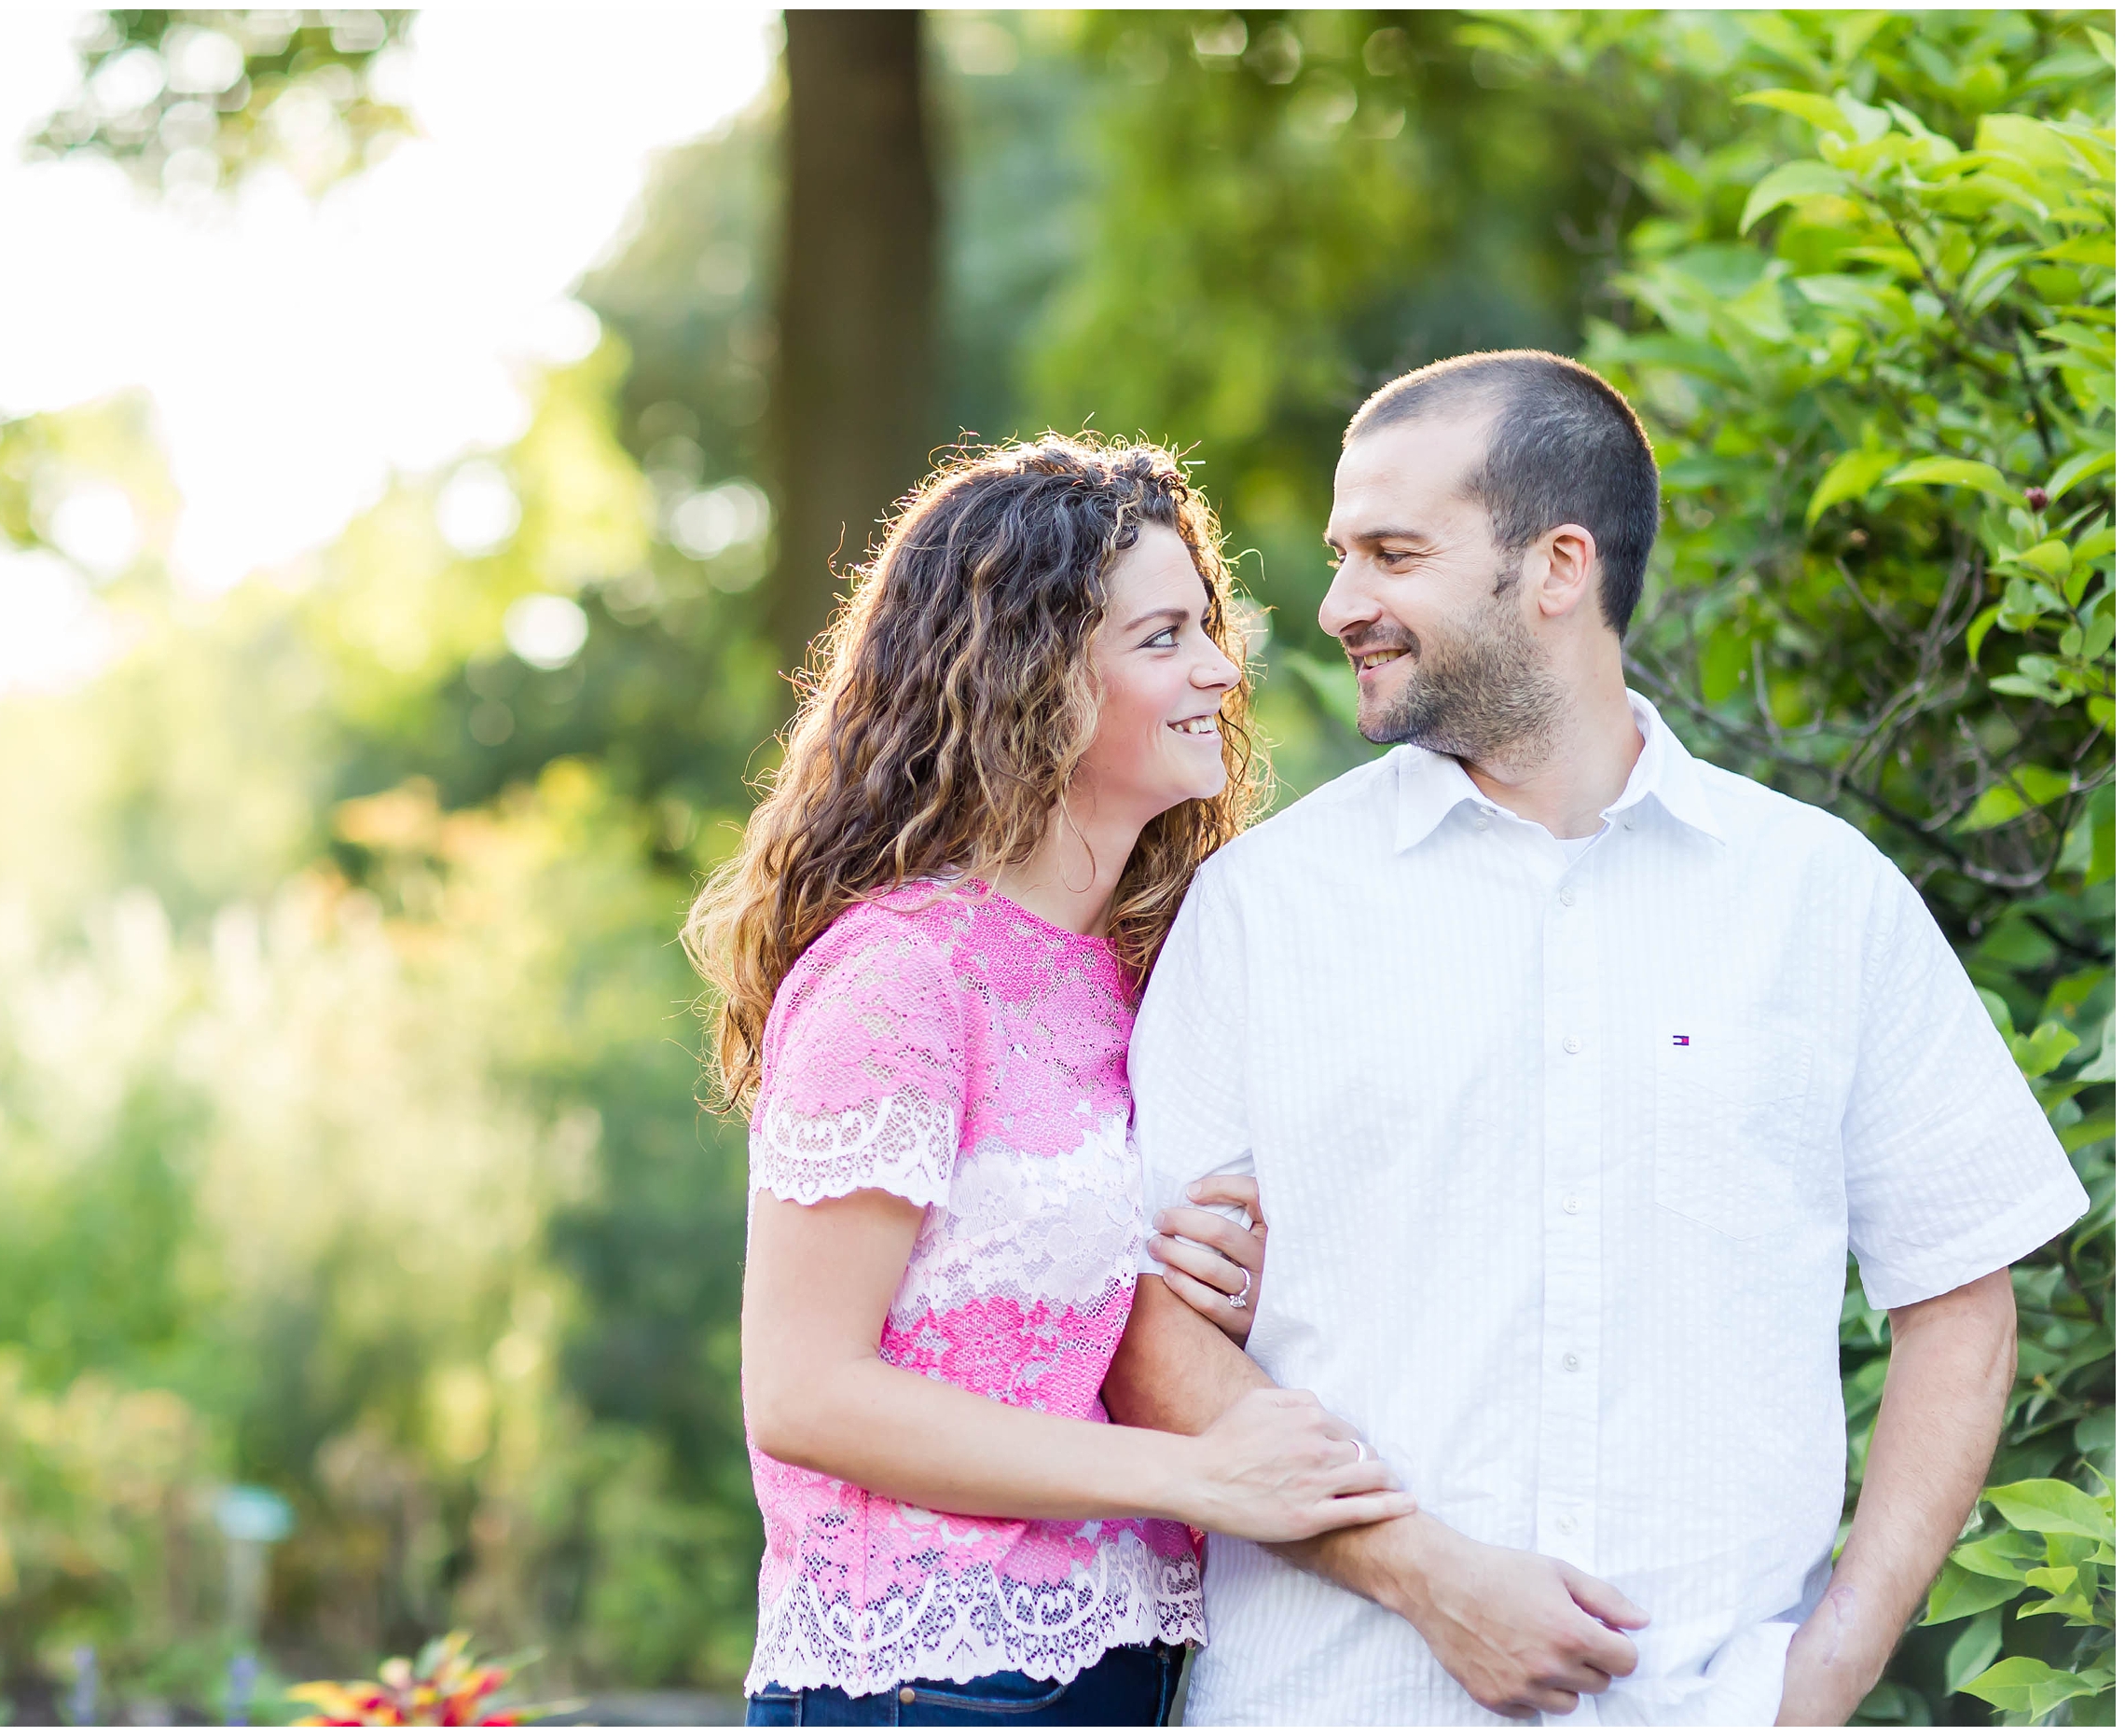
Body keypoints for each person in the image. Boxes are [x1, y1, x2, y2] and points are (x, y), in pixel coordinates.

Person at [1111, 350, 2090, 1726]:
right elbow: (1144, 1332)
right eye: (1343, 554)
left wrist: (1825, 1674)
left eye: (1393, 553)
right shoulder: (1262, 911)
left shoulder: (1820, 898)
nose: (1339, 606)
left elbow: (1961, 1301)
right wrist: (1426, 1576)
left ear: (1558, 565)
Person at [686, 436, 1417, 1728]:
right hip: (927, 1682)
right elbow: (802, 1390)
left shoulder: (1139, 968)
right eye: (1163, 637)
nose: (1219, 668)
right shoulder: (899, 978)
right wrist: (1201, 1474)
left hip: (1129, 1665)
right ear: (1033, 680)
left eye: (1209, 626)